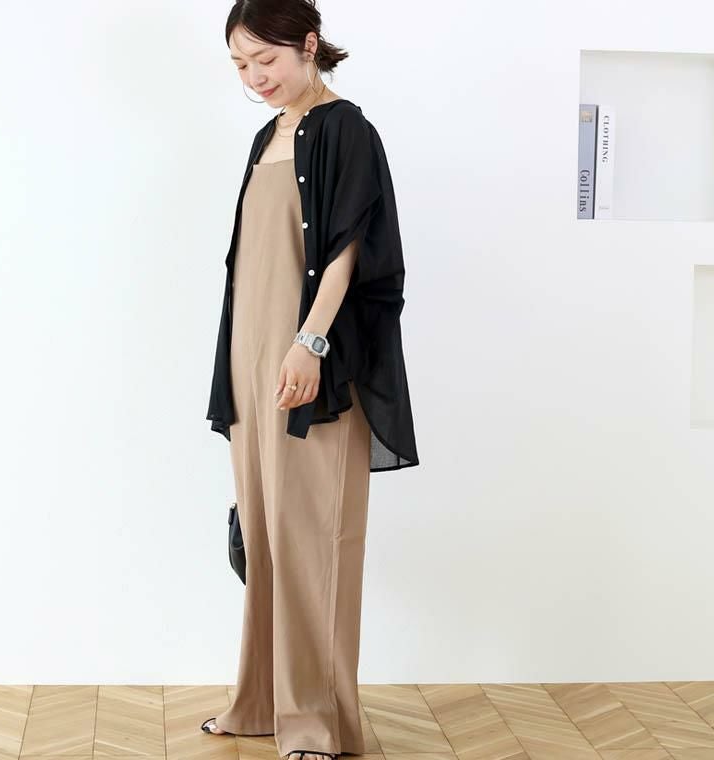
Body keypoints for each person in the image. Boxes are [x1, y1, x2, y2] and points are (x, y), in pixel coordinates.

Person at [201, 2, 419, 759]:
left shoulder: (344, 129)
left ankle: (318, 721)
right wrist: (251, 359)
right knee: (265, 536)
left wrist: (311, 342)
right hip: (249, 362)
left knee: (315, 539)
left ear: (308, 44)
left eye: (265, 60)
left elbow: (348, 248)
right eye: (240, 65)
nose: (254, 77)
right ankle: (262, 702)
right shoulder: (266, 136)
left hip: (310, 363)